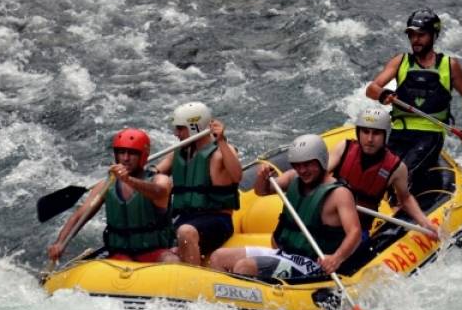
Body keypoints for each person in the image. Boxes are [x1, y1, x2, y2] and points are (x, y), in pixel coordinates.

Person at [209, 134, 361, 280]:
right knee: (218, 257)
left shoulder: (339, 193)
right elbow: (261, 191)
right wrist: (262, 177)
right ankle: (225, 304)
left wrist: (336, 258)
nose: (302, 170)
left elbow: (354, 232)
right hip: (284, 253)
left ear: (321, 161)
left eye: (308, 164)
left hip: (312, 264)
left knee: (244, 267)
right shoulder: (292, 177)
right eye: (298, 165)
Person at [365, 9, 462, 188]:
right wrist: (383, 94)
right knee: (380, 173)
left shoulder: (449, 65)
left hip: (430, 133)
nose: (415, 40)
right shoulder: (400, 61)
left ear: (434, 35)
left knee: (402, 173)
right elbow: (371, 89)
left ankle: (400, 208)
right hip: (399, 131)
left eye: (421, 35)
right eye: (411, 35)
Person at [47, 128, 178, 264]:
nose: (125, 158)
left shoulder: (160, 180)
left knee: (171, 260)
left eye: (132, 153)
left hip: (154, 252)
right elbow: (79, 216)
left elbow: (159, 192)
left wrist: (129, 180)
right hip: (120, 255)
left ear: (143, 156)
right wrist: (60, 243)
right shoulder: (106, 185)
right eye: (121, 152)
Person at [330, 106, 440, 239]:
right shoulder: (344, 148)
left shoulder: (397, 168)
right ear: (358, 132)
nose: (370, 139)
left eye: (376, 133)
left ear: (385, 135)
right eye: (365, 132)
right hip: (327, 220)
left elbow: (405, 199)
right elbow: (318, 176)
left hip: (357, 230)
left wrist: (426, 224)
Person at [153, 101, 241, 266]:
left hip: (216, 220)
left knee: (185, 232)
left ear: (195, 127)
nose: (176, 134)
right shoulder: (180, 153)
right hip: (185, 218)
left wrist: (221, 141)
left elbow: (237, 176)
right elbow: (155, 173)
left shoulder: (221, 153)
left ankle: (193, 281)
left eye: (180, 128)